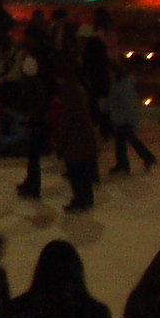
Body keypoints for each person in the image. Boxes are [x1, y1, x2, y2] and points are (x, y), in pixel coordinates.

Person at [55, 66, 100, 213]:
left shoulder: (69, 94)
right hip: (84, 137)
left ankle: (80, 199)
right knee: (83, 170)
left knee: (75, 172)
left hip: (75, 141)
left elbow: (66, 120)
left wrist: (60, 141)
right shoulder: (80, 90)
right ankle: (86, 198)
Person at [106, 59, 156, 175]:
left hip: (124, 118)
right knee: (123, 141)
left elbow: (125, 103)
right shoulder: (119, 83)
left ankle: (142, 158)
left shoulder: (122, 85)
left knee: (125, 140)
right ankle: (127, 162)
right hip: (122, 117)